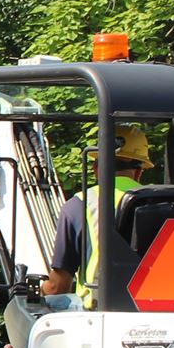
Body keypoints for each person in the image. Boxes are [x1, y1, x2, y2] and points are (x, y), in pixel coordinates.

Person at [43, 127, 153, 306]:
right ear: (139, 172)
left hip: (95, 312)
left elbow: (58, 287)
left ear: (96, 167)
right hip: (154, 308)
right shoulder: (160, 203)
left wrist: (36, 295)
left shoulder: (78, 205)